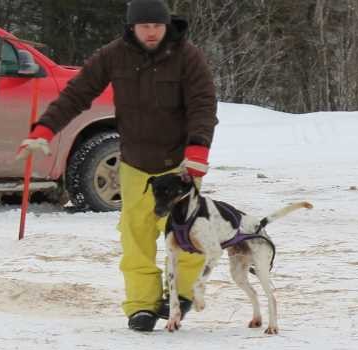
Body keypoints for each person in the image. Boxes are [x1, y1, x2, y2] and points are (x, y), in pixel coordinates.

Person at [16, 0, 218, 332]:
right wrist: (44, 129)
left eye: (157, 25)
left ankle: (180, 295)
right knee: (134, 237)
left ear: (167, 25)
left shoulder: (187, 55)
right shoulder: (113, 55)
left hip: (179, 166)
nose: (151, 32)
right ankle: (141, 305)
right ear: (131, 27)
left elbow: (203, 102)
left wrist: (198, 148)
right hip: (136, 164)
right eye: (144, 26)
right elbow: (77, 93)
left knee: (187, 236)